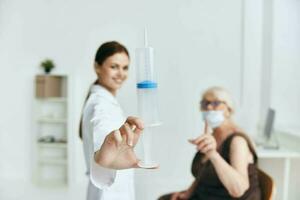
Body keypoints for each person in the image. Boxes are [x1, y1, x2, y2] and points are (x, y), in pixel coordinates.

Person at [159, 86, 261, 200]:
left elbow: (238, 190)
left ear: (229, 110)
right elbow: (203, 174)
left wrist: (212, 154)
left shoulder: (237, 141)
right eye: (204, 103)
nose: (208, 107)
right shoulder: (212, 137)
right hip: (208, 194)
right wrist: (188, 193)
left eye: (216, 103)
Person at [79, 41, 145, 200]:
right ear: (97, 67)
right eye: (114, 67)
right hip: (108, 193)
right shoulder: (100, 105)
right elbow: (103, 126)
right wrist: (105, 154)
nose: (121, 73)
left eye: (125, 67)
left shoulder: (104, 101)